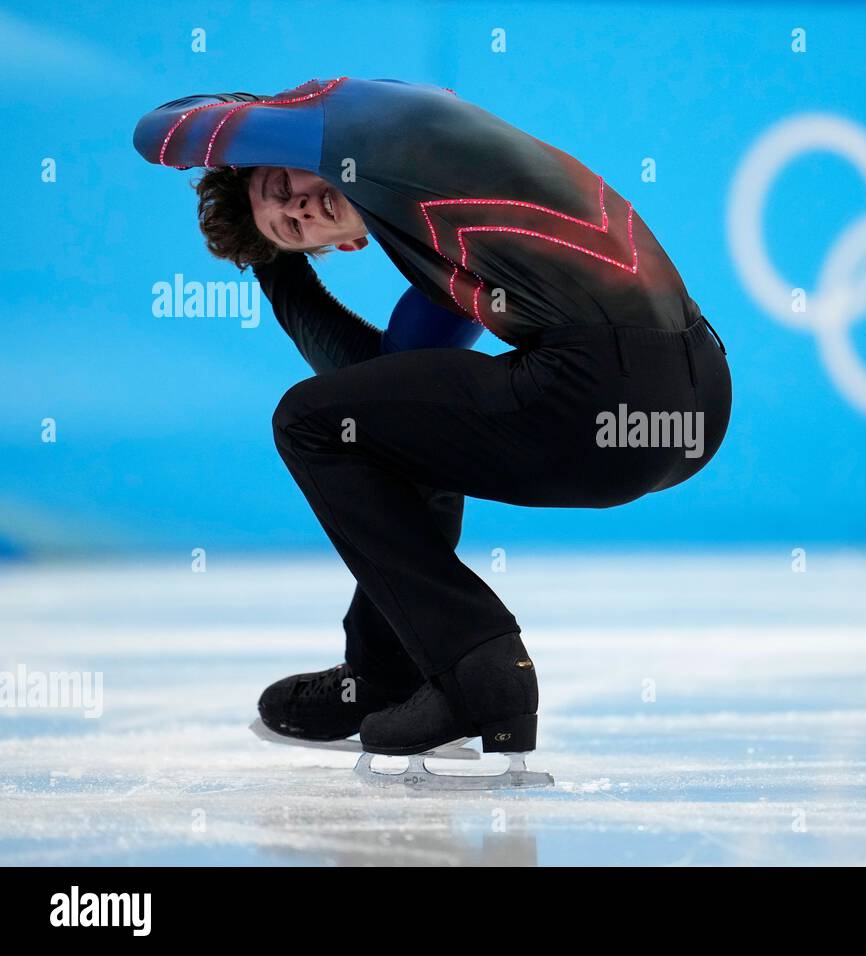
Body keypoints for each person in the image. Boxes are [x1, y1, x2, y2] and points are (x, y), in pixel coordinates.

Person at [134, 77, 731, 762]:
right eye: (293, 226)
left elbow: (160, 131)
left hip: (608, 387)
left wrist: (255, 201)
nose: (299, 204)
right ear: (346, 246)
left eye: (279, 186)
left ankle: (480, 669)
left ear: (285, 140)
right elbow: (378, 393)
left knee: (303, 422)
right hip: (688, 405)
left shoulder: (360, 119)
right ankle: (384, 678)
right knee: (382, 431)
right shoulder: (428, 238)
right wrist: (275, 266)